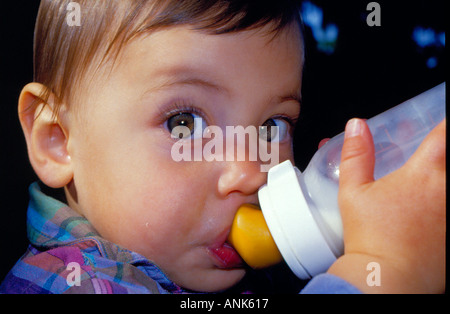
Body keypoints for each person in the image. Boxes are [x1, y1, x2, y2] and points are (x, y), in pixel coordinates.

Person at [0, 0, 445, 294]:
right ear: (57, 141)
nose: (251, 170)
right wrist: (386, 269)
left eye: (272, 127)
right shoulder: (72, 282)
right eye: (184, 124)